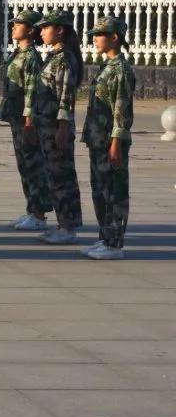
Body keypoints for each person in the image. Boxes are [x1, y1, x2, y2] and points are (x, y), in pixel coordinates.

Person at [80, 16, 136, 260]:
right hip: (98, 138)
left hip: (110, 141)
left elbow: (121, 109)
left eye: (99, 34)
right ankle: (105, 237)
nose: (94, 38)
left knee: (114, 191)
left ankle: (114, 244)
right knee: (100, 190)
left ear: (114, 37)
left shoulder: (121, 70)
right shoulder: (107, 67)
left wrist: (116, 142)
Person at [0, 10, 53, 231]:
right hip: (17, 116)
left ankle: (39, 214)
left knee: (33, 165)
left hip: (26, 118)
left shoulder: (30, 57)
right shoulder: (17, 53)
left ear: (30, 30)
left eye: (18, 24)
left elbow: (31, 91)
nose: (13, 27)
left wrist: (30, 121)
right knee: (24, 164)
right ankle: (32, 209)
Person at [34, 10, 84, 244]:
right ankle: (63, 224)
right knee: (54, 176)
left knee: (62, 176)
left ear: (60, 30)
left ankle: (68, 226)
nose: (41, 31)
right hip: (47, 127)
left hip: (56, 127)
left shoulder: (63, 59)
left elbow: (66, 97)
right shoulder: (54, 56)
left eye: (46, 27)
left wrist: (62, 127)